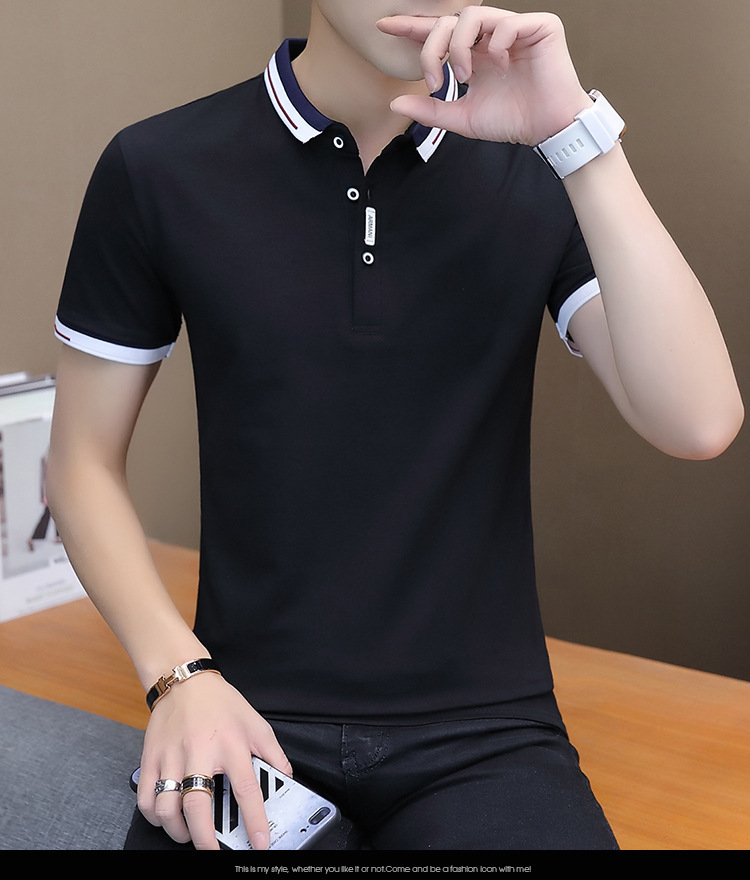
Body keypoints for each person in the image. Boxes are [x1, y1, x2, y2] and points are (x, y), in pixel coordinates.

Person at [46, 3, 743, 851]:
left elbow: (699, 422)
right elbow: (80, 464)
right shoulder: (159, 164)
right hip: (244, 712)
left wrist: (577, 139)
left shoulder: (541, 163)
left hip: (489, 734)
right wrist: (179, 677)